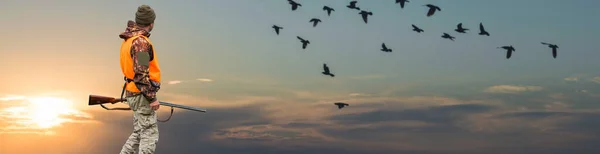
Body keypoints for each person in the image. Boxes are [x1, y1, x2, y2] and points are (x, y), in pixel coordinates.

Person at [118, 4, 162, 154]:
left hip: (133, 92)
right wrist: (152, 98)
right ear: (151, 23)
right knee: (149, 134)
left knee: (138, 132)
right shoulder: (141, 43)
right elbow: (141, 74)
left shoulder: (129, 40)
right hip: (141, 94)